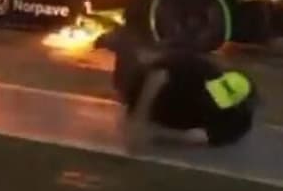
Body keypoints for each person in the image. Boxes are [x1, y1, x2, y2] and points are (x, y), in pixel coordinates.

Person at [96, 26, 256, 149]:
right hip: (152, 88)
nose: (213, 98)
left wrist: (156, 135)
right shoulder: (201, 69)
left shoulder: (237, 123)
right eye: (214, 92)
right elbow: (157, 76)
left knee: (129, 98)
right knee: (124, 85)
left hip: (169, 114)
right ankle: (121, 43)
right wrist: (140, 117)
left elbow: (197, 137)